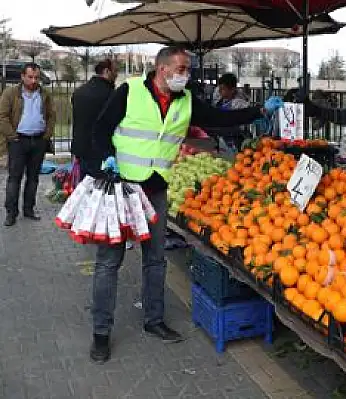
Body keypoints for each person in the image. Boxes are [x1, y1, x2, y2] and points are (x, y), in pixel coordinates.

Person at [88, 45, 278, 363]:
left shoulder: (187, 99)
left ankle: (154, 320)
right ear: (162, 69)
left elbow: (219, 118)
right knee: (109, 262)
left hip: (157, 191)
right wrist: (104, 158)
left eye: (187, 70)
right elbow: (99, 131)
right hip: (122, 189)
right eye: (181, 69)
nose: (185, 75)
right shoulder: (129, 91)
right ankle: (101, 333)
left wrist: (259, 112)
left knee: (155, 259)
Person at [0, 62, 56, 227]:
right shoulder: (11, 93)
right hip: (18, 141)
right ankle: (11, 213)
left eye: (36, 77)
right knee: (14, 178)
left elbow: (52, 116)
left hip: (38, 141)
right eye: (30, 77)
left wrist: (46, 135)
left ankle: (29, 209)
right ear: (23, 76)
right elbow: (2, 116)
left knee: (33, 178)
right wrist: (12, 136)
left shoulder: (44, 93)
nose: (33, 81)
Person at [71, 59, 118, 178]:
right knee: (101, 191)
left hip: (81, 149)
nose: (117, 75)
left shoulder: (79, 92)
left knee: (84, 190)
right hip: (101, 152)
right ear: (107, 71)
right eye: (115, 71)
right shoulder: (111, 94)